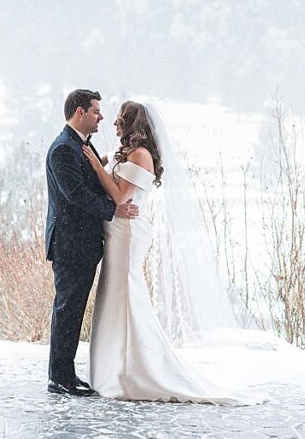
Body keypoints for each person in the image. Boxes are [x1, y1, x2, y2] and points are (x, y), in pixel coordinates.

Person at [81, 100, 266, 404]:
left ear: (132, 124)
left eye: (118, 121)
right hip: (116, 233)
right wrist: (102, 166)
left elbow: (118, 195)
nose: (113, 125)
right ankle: (115, 368)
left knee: (128, 295)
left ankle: (140, 369)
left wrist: (95, 165)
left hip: (127, 235)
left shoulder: (141, 155)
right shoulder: (130, 154)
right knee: (114, 297)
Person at [44, 89, 139, 396]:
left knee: (73, 309)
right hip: (71, 244)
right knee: (67, 309)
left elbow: (89, 179)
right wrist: (115, 209)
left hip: (83, 244)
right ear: (80, 112)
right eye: (96, 111)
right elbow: (76, 195)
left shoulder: (79, 145)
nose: (101, 116)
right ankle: (59, 377)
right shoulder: (63, 149)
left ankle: (66, 374)